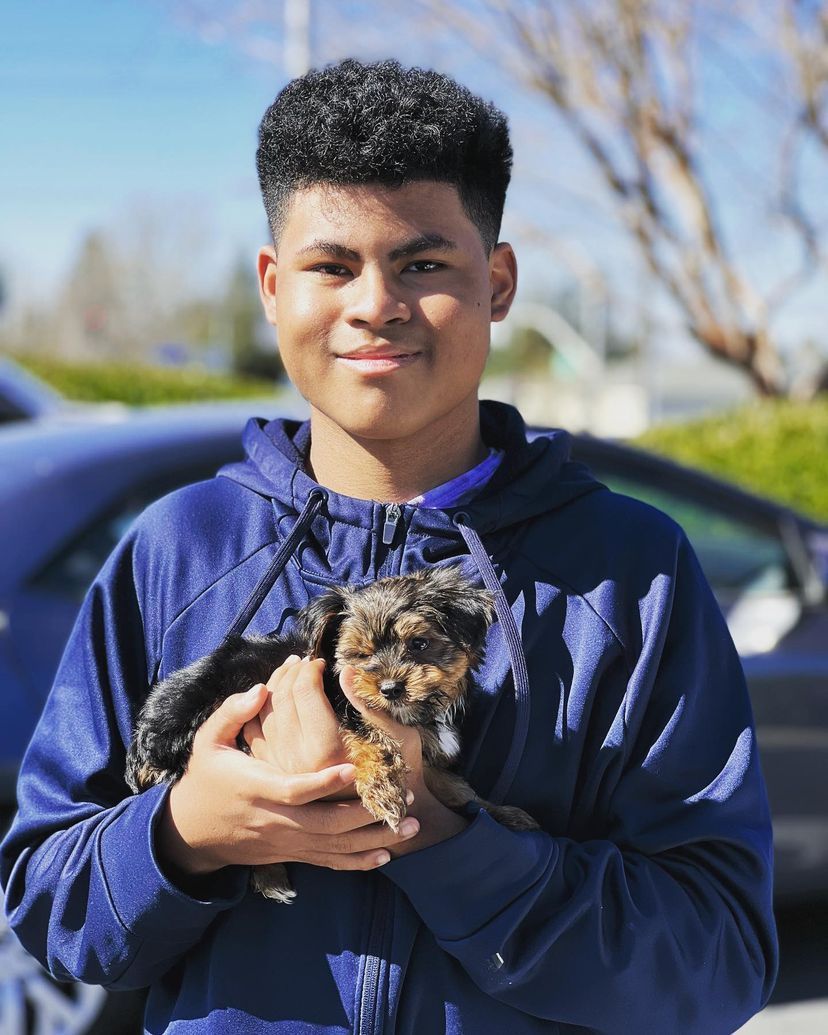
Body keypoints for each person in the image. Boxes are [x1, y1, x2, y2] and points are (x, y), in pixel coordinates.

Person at [1, 59, 777, 1034]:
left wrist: (438, 831)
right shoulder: (177, 549)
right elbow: (46, 904)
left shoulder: (631, 574)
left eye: (423, 264)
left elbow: (717, 962)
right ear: (274, 288)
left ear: (496, 283)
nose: (376, 305)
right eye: (332, 266)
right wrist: (189, 832)